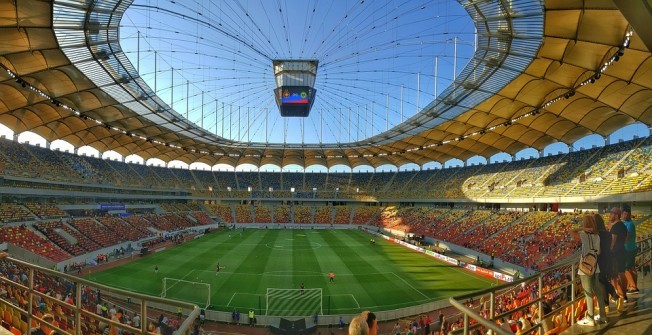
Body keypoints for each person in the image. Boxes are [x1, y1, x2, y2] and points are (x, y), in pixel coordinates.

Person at [571, 214, 607, 326]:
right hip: (595, 267)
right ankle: (603, 316)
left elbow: (571, 231)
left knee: (588, 293)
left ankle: (590, 318)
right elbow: (599, 251)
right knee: (598, 292)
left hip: (585, 268)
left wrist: (582, 229)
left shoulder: (583, 235)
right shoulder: (597, 236)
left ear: (585, 224)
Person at [595, 214, 616, 310]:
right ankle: (606, 302)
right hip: (608, 259)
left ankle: (613, 296)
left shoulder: (597, 235)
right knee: (603, 280)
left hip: (600, 260)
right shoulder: (608, 234)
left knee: (601, 281)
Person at [609, 207, 628, 311]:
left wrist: (609, 251)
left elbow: (612, 242)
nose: (610, 216)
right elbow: (625, 239)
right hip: (622, 251)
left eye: (611, 214)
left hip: (615, 254)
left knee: (614, 276)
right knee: (622, 274)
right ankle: (624, 295)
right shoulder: (623, 226)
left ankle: (618, 295)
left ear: (616, 215)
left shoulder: (615, 227)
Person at [622, 206, 639, 295]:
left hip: (628, 249)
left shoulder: (629, 224)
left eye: (627, 214)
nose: (626, 216)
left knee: (626, 268)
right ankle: (633, 286)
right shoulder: (626, 223)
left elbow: (627, 237)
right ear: (622, 214)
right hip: (631, 248)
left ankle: (633, 287)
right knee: (632, 268)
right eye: (625, 214)